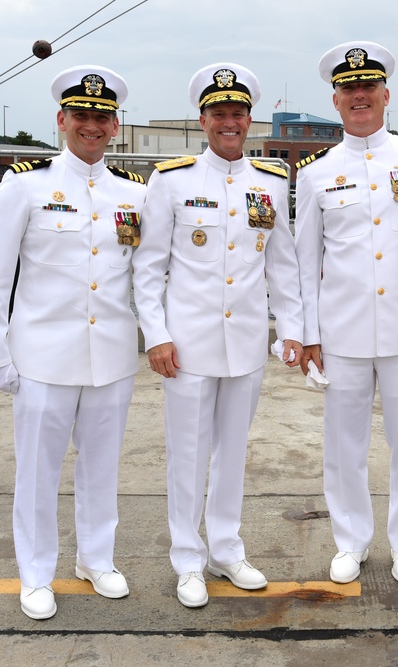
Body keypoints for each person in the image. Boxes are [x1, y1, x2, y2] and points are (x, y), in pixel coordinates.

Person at [0, 65, 147, 620]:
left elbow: (145, 274)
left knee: (102, 466)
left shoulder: (133, 192)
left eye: (101, 118)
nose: (91, 127)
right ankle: (35, 573)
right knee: (38, 473)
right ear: (61, 120)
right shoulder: (25, 184)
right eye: (81, 116)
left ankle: (97, 559)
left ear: (115, 124)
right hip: (42, 357)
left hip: (112, 357)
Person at [132, 62, 304, 609]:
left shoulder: (271, 183)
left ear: (249, 120)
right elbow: (147, 266)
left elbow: (284, 266)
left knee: (232, 453)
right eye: (218, 114)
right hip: (186, 345)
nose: (229, 122)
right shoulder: (173, 179)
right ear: (203, 119)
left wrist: (292, 330)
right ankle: (188, 558)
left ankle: (226, 548)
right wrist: (155, 334)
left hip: (248, 343)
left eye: (237, 114)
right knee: (188, 452)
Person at [294, 41, 398, 586]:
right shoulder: (315, 173)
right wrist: (308, 334)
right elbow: (305, 262)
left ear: (385, 94)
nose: (359, 97)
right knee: (343, 446)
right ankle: (350, 540)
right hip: (342, 332)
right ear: (336, 100)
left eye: (368, 87)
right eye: (348, 89)